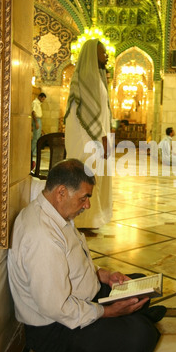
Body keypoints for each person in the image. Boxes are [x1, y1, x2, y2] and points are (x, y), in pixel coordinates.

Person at [7, 159, 166, 352]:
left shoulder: (56, 213)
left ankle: (130, 319)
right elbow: (57, 307)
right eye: (84, 198)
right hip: (57, 328)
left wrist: (104, 275)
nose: (87, 205)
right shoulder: (41, 237)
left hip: (85, 297)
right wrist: (107, 312)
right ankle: (130, 324)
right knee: (142, 337)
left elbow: (74, 261)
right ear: (61, 192)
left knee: (137, 282)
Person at [64, 39, 112, 230]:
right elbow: (87, 113)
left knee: (95, 176)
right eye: (102, 52)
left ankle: (91, 220)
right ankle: (82, 222)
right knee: (85, 176)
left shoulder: (97, 77)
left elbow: (102, 112)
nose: (106, 55)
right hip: (87, 137)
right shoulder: (85, 77)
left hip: (96, 135)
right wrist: (102, 137)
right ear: (92, 53)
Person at [31, 92, 46, 168]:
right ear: (40, 97)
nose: (43, 100)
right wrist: (36, 122)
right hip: (36, 120)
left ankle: (35, 151)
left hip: (39, 119)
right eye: (43, 99)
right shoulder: (35, 102)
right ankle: (33, 152)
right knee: (35, 137)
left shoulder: (38, 103)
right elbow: (33, 112)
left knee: (38, 137)